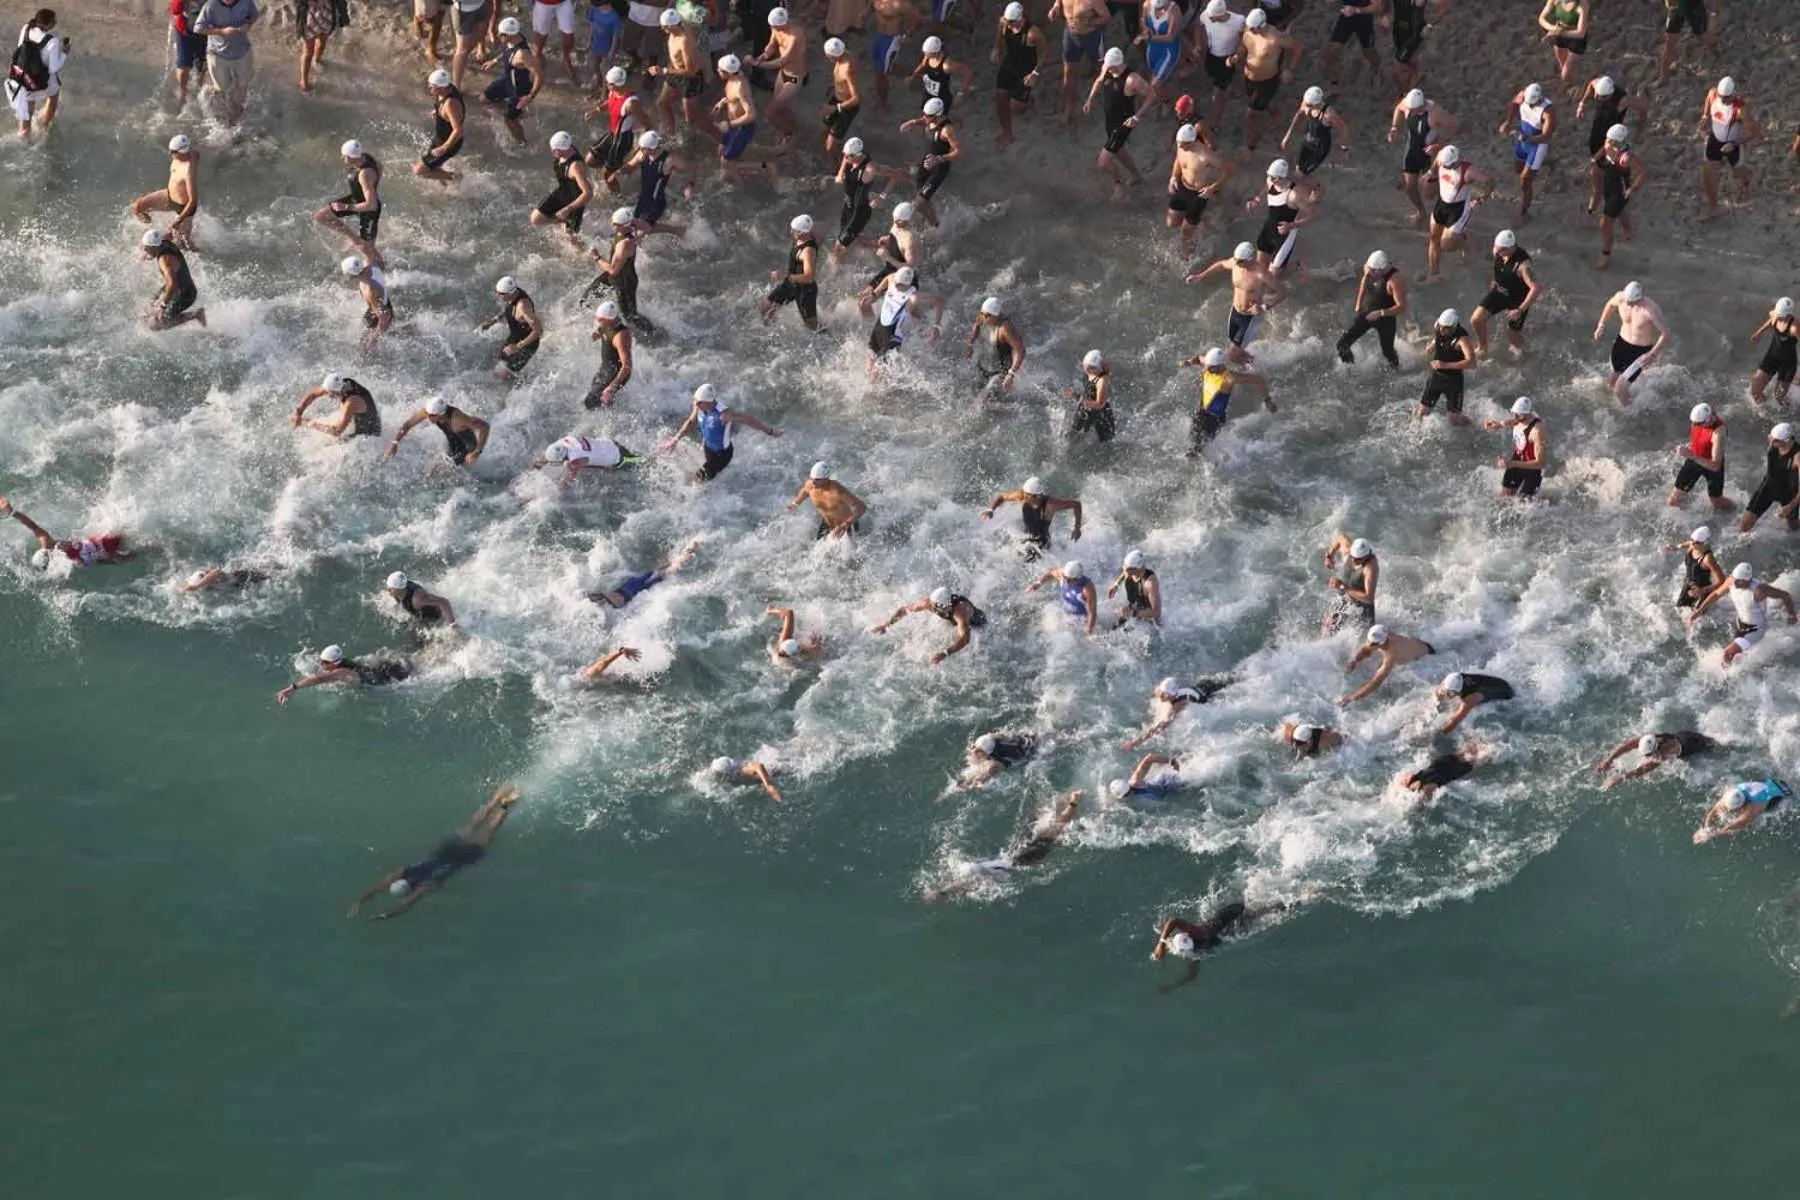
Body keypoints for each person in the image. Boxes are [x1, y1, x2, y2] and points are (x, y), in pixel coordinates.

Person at [346, 786, 522, 921]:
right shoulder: (404, 872)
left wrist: (386, 916)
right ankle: (494, 800)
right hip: (445, 851)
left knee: (487, 835)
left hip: (459, 861)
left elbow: (405, 906)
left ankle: (505, 805)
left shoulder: (425, 886)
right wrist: (359, 901)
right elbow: (378, 886)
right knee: (470, 826)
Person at [923, 791, 1081, 900]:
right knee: (1050, 831)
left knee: (1049, 829)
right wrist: (942, 892)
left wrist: (942, 893)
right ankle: (1072, 803)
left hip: (1018, 857)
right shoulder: (980, 872)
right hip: (1019, 858)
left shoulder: (979, 874)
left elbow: (962, 885)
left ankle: (1072, 804)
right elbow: (962, 885)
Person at [1186, 241, 1287, 365]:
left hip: (1250, 317)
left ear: (1250, 259)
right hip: (1235, 312)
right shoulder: (1236, 263)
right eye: (1236, 260)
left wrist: (1265, 307)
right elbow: (1222, 264)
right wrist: (1201, 276)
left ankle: (1255, 370)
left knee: (1233, 354)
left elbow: (1283, 291)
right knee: (1235, 345)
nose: (1237, 263)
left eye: (1240, 261)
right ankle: (1253, 363)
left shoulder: (1261, 274)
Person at [659, 383, 782, 482]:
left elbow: (748, 420)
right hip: (708, 447)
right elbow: (691, 422)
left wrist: (770, 431)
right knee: (704, 468)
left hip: (722, 455)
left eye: (698, 402)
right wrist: (675, 440)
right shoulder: (699, 406)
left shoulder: (724, 414)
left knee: (698, 478)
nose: (695, 404)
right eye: (695, 401)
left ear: (708, 402)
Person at [1150, 900, 1282, 988]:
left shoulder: (1198, 935)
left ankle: (1287, 902)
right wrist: (1172, 986)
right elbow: (1192, 975)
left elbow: (1173, 921)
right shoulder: (1196, 947)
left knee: (1257, 914)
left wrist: (1161, 943)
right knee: (1255, 914)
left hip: (1230, 916)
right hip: (1226, 926)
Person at [1688, 561, 1796, 666]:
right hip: (1740, 625)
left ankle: (1727, 681)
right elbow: (1716, 594)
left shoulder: (1760, 590)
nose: (1734, 582)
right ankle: (1736, 672)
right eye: (1734, 578)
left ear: (1747, 580)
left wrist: (1792, 615)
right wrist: (1698, 611)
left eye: (1738, 581)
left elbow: (1785, 595)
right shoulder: (1731, 581)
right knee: (1734, 658)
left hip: (1755, 630)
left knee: (1727, 654)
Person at [1182, 346, 1275, 457]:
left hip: (1214, 420)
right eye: (1208, 366)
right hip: (1201, 413)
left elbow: (1258, 380)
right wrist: (1189, 362)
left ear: (1221, 366)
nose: (1207, 369)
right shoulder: (1208, 365)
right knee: (1192, 443)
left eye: (1211, 368)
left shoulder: (1230, 378)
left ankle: (1202, 469)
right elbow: (1198, 358)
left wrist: (1268, 400)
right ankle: (1198, 460)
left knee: (1195, 450)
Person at [0, 494, 132, 571]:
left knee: (133, 546)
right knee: (129, 531)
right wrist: (12, 512)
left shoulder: (63, 561)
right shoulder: (51, 546)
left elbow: (96, 560)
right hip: (102, 540)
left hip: (104, 548)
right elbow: (32, 526)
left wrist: (114, 561)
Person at [1084, 46, 1150, 198]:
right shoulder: (1108, 69)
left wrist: (1137, 116)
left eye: (1110, 67)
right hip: (1110, 120)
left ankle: (1119, 184)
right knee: (1119, 150)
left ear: (1118, 65)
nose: (1107, 70)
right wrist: (1090, 99)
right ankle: (1137, 176)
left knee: (1103, 162)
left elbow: (1151, 96)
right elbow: (1100, 81)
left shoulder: (1132, 79)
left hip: (1122, 124)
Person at [1230, 7, 1298, 153]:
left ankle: (1250, 146)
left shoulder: (1275, 38)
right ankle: (1272, 110)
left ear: (1262, 26)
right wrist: (1237, 56)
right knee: (1256, 103)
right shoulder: (1249, 30)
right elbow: (1244, 46)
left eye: (1254, 29)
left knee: (1252, 115)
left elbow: (1297, 47)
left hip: (1267, 81)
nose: (1251, 30)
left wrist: (1290, 69)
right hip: (1249, 77)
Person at [1424, 145, 1494, 284]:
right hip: (1442, 204)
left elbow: (1489, 181)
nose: (1445, 168)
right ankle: (1434, 274)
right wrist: (1430, 173)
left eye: (1448, 166)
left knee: (1446, 245)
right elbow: (1436, 163)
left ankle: (1465, 243)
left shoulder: (1468, 171)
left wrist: (1480, 198)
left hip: (1459, 209)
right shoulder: (1441, 157)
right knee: (1433, 239)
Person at [1387, 87, 1455, 227]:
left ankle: (1450, 203)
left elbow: (1453, 126)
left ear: (1422, 105)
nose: (1411, 112)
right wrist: (1394, 127)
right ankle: (1421, 212)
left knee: (1430, 193)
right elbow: (1398, 109)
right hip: (1412, 150)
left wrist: (1438, 144)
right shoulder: (1407, 105)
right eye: (1410, 110)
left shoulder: (1434, 112)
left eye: (1414, 110)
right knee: (1409, 187)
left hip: (1430, 154)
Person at [1165, 121, 1236, 254]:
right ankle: (1201, 219)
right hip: (1182, 186)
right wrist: (1173, 177)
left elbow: (1230, 170)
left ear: (1191, 142)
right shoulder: (1182, 147)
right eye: (1178, 143)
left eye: (1182, 144)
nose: (1179, 146)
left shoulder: (1205, 156)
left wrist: (1213, 188)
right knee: (1171, 222)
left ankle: (1186, 253)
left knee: (1185, 233)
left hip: (1198, 195)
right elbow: (1178, 161)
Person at [1594, 281, 1669, 406]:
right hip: (1621, 344)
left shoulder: (1650, 310)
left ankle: (1627, 413)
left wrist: (1653, 354)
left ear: (1639, 299)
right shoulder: (1621, 297)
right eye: (1627, 299)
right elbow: (1610, 305)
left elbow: (1666, 333)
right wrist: (1601, 325)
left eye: (1631, 302)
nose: (1627, 303)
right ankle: (1625, 403)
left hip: (1639, 351)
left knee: (1619, 389)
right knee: (1611, 381)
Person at [868, 586, 986, 664]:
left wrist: (945, 653)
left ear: (945, 606)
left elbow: (965, 639)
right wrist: (886, 625)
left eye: (935, 607)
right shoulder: (929, 603)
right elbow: (905, 610)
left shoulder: (961, 612)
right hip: (953, 621)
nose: (931, 608)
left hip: (976, 624)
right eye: (932, 604)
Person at [711, 55, 780, 184]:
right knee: (720, 151)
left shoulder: (741, 88)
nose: (717, 71)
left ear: (727, 72)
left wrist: (729, 124)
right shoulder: (732, 79)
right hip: (733, 126)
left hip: (741, 128)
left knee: (726, 162)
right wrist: (723, 101)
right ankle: (731, 172)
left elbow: (752, 114)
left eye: (719, 70)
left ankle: (744, 182)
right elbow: (733, 99)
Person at [1471, 229, 1539, 358]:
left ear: (1510, 248)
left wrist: (1519, 310)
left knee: (1512, 336)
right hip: (1500, 292)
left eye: (1500, 250)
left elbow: (1536, 288)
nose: (1496, 252)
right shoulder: (1498, 252)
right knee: (1476, 320)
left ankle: (1527, 355)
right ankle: (1482, 348)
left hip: (1517, 300)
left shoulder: (1523, 266)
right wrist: (1495, 280)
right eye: (1495, 248)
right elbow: (1497, 266)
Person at [865, 267, 947, 376]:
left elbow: (940, 301)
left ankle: (874, 390)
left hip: (892, 336)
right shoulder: (891, 279)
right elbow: (886, 280)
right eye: (896, 283)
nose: (897, 286)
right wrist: (874, 295)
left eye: (901, 285)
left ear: (908, 284)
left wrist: (937, 326)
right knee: (870, 358)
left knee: (879, 372)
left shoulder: (913, 296)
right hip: (878, 328)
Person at [745, 6, 806, 149]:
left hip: (794, 76)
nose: (774, 29)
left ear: (784, 23)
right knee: (780, 107)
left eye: (776, 27)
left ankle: (791, 134)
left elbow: (782, 61)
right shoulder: (776, 29)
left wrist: (756, 64)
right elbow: (772, 45)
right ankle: (794, 126)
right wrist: (763, 56)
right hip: (783, 73)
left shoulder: (795, 36)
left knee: (770, 112)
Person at [583, 66, 652, 191]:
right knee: (589, 160)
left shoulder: (631, 103)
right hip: (612, 134)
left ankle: (618, 196)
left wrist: (640, 147)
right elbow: (609, 102)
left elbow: (647, 124)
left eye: (608, 83)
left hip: (622, 140)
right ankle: (617, 166)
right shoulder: (613, 91)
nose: (605, 84)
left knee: (607, 176)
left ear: (616, 85)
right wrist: (595, 111)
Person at [1699, 76, 1758, 222]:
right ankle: (1713, 207)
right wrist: (1706, 115)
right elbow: (1709, 98)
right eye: (1722, 97)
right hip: (1715, 140)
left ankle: (1749, 179)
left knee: (1739, 172)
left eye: (1727, 98)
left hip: (1732, 145)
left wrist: (1737, 142)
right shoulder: (1713, 94)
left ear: (1733, 94)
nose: (1724, 101)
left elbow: (1753, 132)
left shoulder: (1740, 109)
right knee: (1708, 174)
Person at [1335, 250, 1404, 369]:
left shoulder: (1394, 280)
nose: (1368, 272)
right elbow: (1365, 280)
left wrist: (1380, 313)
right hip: (1367, 313)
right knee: (1342, 344)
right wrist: (1359, 302)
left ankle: (1397, 372)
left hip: (1385, 320)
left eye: (1372, 271)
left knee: (1388, 353)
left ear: (1381, 270)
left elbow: (1401, 307)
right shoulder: (1369, 268)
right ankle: (1350, 369)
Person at [193, 0, 258, 127]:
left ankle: (236, 116)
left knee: (243, 85)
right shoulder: (211, 5)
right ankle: (217, 111)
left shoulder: (246, 2)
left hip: (242, 51)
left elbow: (254, 15)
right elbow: (198, 28)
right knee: (222, 88)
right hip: (218, 54)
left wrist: (248, 25)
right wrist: (222, 32)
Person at [1122, 674, 1232, 748]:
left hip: (1209, 693)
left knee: (1235, 680)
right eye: (1163, 693)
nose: (1162, 697)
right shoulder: (1162, 691)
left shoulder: (1180, 703)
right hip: (1202, 684)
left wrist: (1136, 742)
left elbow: (1161, 726)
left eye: (1167, 695)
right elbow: (1157, 692)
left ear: (1174, 694)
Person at [1247, 157, 1316, 274]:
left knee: (1274, 275)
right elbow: (1267, 187)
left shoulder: (1294, 194)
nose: (1270, 180)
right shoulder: (1270, 181)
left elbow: (1313, 214)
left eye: (1274, 178)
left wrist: (1292, 225)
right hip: (1268, 229)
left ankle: (1296, 267)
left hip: (1285, 236)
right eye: (1269, 176)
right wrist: (1257, 199)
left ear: (1283, 177)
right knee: (1260, 270)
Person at [276, 644, 412, 703]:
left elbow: (318, 679)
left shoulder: (342, 671)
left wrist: (292, 688)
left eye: (324, 662)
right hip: (381, 670)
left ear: (334, 663)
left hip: (388, 680)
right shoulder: (344, 663)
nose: (321, 664)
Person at [313, 139, 384, 253]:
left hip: (369, 211)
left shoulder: (364, 174)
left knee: (368, 251)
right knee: (321, 216)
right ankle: (355, 239)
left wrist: (345, 207)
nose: (342, 158)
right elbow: (380, 166)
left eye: (344, 156)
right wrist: (373, 185)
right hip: (356, 200)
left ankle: (378, 267)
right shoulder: (366, 157)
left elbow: (372, 205)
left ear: (350, 157)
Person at [131, 134, 201, 249]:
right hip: (168, 196)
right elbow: (197, 154)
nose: (170, 153)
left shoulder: (188, 171)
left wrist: (178, 221)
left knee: (182, 244)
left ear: (181, 151)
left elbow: (193, 201)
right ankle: (150, 231)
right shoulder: (191, 154)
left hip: (183, 207)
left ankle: (199, 254)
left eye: (173, 151)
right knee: (139, 206)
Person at [1048, 0, 1110, 129]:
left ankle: (1095, 99)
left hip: (1092, 36)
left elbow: (1106, 17)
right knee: (1069, 72)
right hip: (1071, 35)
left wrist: (1089, 22)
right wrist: (1055, 8)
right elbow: (1058, 2)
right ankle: (1069, 108)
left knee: (1100, 69)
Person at [585, 540, 700, 608]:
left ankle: (689, 551)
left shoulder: (653, 579)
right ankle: (688, 551)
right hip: (630, 589)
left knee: (668, 567)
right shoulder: (652, 579)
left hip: (630, 590)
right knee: (667, 567)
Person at [983, 476, 1080, 557]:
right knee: (997, 539)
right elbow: (1002, 496)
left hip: (1041, 541)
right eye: (1024, 493)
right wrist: (991, 510)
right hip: (1026, 535)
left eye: (1026, 495)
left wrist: (1077, 528)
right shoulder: (1022, 495)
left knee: (1027, 560)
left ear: (1037, 496)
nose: (1023, 496)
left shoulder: (1051, 505)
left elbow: (1076, 504)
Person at [901, 96, 959, 229]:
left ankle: (936, 226)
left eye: (928, 115)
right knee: (921, 197)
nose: (925, 117)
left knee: (918, 203)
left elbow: (958, 151)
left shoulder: (947, 130)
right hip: (927, 162)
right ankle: (932, 219)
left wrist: (938, 159)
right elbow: (925, 120)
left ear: (937, 115)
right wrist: (913, 122)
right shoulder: (930, 119)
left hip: (938, 168)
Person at [1588, 122, 1641, 268]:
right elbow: (1603, 150)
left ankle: (1605, 254)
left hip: (1620, 191)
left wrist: (1634, 187)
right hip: (1609, 185)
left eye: (1611, 140)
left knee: (1605, 225)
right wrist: (1594, 160)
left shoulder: (1626, 157)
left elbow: (1643, 172)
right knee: (1619, 211)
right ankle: (1628, 229)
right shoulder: (1609, 144)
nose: (1608, 143)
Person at [1341, 623, 1434, 704]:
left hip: (1426, 658)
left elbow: (1376, 682)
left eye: (1373, 644)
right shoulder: (1384, 635)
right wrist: (1354, 661)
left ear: (1382, 643)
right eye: (1370, 641)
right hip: (1419, 644)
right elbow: (1366, 649)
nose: (1369, 644)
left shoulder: (1391, 655)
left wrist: (1352, 698)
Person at [385, 395, 490, 467]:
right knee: (433, 470)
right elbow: (408, 425)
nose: (428, 417)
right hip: (453, 440)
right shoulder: (429, 412)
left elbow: (485, 427)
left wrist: (477, 452)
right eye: (428, 414)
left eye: (432, 416)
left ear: (441, 414)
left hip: (468, 446)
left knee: (441, 470)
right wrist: (394, 443)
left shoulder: (459, 418)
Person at [1498, 83, 1554, 218]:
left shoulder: (1548, 111)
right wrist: (1508, 122)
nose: (1529, 106)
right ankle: (1546, 162)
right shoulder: (1523, 96)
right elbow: (1514, 104)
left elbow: (1546, 136)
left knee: (1525, 180)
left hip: (1537, 145)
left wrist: (1525, 138)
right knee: (1518, 168)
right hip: (1523, 141)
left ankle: (1524, 211)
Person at [1594, 730, 1717, 790]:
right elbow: (1627, 745)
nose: (1647, 757)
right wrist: (1609, 760)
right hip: (1682, 734)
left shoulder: (1665, 752)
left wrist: (1620, 778)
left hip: (1692, 746)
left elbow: (1643, 770)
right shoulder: (1650, 738)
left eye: (1649, 755)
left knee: (1711, 744)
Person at [583, 207, 646, 325]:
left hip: (625, 282)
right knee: (586, 300)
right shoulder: (633, 224)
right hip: (612, 278)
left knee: (631, 318)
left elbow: (613, 270)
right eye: (613, 222)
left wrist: (596, 257)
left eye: (616, 224)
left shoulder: (624, 244)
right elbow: (647, 227)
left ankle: (654, 334)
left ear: (625, 225)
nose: (612, 225)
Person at [623, 130, 691, 237]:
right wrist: (617, 171)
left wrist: (690, 185)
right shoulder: (642, 155)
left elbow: (691, 168)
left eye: (642, 148)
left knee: (642, 231)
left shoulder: (669, 160)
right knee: (635, 226)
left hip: (656, 201)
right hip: (644, 198)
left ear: (651, 149)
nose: (639, 150)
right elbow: (629, 166)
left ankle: (676, 230)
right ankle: (677, 230)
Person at [991, 2, 1041, 147]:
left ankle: (1029, 99)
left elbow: (1044, 52)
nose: (1008, 24)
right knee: (1001, 102)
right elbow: (999, 38)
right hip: (1009, 65)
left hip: (1025, 70)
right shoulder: (1004, 24)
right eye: (1007, 21)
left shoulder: (1032, 33)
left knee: (1014, 108)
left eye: (1011, 22)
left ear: (1020, 19)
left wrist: (1035, 72)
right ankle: (1008, 134)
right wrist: (996, 49)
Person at [531, 130, 594, 244]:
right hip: (563, 192)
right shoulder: (567, 150)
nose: (552, 152)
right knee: (536, 218)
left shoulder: (575, 166)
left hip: (575, 201)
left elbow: (588, 193)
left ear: (561, 150)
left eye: (554, 150)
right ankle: (562, 222)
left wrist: (567, 209)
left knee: (572, 243)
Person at [762, 213, 822, 331]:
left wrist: (784, 276)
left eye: (793, 230)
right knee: (767, 306)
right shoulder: (807, 236)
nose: (791, 232)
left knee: (812, 327)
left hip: (805, 291)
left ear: (801, 233)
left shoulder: (807, 251)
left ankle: (832, 338)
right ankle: (769, 331)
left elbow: (809, 277)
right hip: (791, 284)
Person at [481, 16, 536, 144]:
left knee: (509, 120)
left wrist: (530, 96)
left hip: (519, 90)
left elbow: (538, 75)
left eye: (501, 35)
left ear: (510, 35)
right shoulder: (514, 38)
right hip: (507, 81)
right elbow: (508, 51)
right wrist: (494, 61)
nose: (499, 37)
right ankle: (517, 112)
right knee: (484, 98)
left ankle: (524, 144)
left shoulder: (522, 54)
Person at [649, 8, 704, 134]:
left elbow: (690, 71)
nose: (662, 29)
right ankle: (670, 135)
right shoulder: (675, 31)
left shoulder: (684, 41)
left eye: (664, 27)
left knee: (690, 119)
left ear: (673, 26)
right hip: (674, 72)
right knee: (662, 104)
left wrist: (664, 71)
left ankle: (690, 138)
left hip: (690, 79)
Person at [139, 229, 206, 331]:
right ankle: (154, 312)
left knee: (159, 324)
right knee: (148, 308)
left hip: (185, 294)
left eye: (146, 248)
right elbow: (170, 233)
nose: (144, 250)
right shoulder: (164, 242)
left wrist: (162, 305)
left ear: (154, 247)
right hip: (177, 287)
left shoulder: (164, 260)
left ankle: (195, 315)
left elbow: (172, 283)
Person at [1416, 308, 1474, 424]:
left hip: (1453, 381)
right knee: (1422, 413)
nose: (1442, 330)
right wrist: (1433, 344)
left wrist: (1445, 365)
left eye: (1446, 329)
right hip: (1436, 377)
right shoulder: (1439, 325)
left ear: (1454, 326)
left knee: (1454, 420)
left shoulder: (1462, 339)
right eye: (1441, 327)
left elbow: (1472, 363)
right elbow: (1438, 336)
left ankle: (1472, 426)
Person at [1669, 403, 1729, 513]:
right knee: (1674, 500)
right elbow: (1699, 437)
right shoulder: (1701, 419)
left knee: (1716, 501)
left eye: (1697, 424)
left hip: (1710, 465)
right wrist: (1689, 447)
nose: (1694, 425)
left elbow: (1715, 466)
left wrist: (1691, 455)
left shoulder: (1718, 434)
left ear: (1707, 421)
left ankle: (1737, 511)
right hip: (1695, 459)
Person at [1740, 424, 1800, 534]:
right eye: (1771, 438)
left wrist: (1790, 507)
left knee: (1793, 527)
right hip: (1768, 487)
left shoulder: (1797, 456)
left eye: (1775, 441)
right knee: (1745, 523)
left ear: (1786, 441)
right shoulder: (1774, 442)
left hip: (1788, 493)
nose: (1771, 442)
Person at [1196, 0, 1246, 131]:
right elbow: (1198, 26)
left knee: (1218, 94)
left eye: (1213, 17)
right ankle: (1231, 86)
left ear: (1221, 14)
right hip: (1211, 54)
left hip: (1227, 59)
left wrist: (1237, 56)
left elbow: (1245, 41)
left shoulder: (1238, 21)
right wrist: (1198, 44)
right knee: (1211, 74)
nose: (1210, 18)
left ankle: (1214, 123)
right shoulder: (1206, 16)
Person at [1484, 396, 1546, 500]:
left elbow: (1540, 463)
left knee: (1523, 507)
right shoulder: (1519, 418)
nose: (1514, 417)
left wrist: (1511, 464)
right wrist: (1499, 424)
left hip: (1532, 470)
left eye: (1518, 415)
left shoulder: (1537, 431)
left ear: (1527, 414)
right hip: (1517, 462)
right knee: (1504, 499)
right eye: (1513, 413)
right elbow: (1514, 421)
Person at [1693, 779, 1792, 845]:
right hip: (1769, 782)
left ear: (1743, 804)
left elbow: (1734, 826)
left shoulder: (1753, 806)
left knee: (1764, 810)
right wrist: (1705, 828)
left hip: (1781, 791)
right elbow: (1713, 811)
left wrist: (1712, 835)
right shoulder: (1732, 793)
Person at [1280, 86, 1350, 178]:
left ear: (1317, 104)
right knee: (1298, 168)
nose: (1306, 106)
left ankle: (1313, 189)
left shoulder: (1328, 115)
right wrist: (1288, 135)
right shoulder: (1307, 103)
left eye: (1309, 105)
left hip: (1320, 147)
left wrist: (1345, 148)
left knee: (1301, 174)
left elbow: (1343, 128)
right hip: (1307, 140)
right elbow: (1299, 115)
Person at [942, 731, 1041, 795]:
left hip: (1036, 751)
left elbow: (979, 781)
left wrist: (952, 790)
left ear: (985, 753)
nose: (973, 751)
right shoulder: (993, 739)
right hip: (1029, 738)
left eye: (977, 751)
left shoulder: (996, 764)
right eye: (974, 748)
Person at [481, 276, 542, 380]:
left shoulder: (523, 307)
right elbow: (509, 309)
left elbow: (538, 330)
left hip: (527, 344)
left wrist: (518, 347)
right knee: (501, 358)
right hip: (515, 336)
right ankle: (511, 376)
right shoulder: (514, 294)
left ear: (509, 293)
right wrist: (493, 321)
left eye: (500, 294)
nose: (497, 295)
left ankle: (521, 383)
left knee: (504, 375)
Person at [868, 0, 922, 116]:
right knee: (884, 66)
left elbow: (916, 19)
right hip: (879, 36)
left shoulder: (899, 4)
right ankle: (915, 74)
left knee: (881, 73)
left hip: (891, 39)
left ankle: (883, 104)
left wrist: (907, 34)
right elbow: (872, 7)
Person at [787, 461, 867, 539]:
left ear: (826, 479)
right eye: (812, 479)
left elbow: (861, 507)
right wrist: (794, 504)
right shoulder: (810, 485)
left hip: (845, 526)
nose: (813, 482)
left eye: (817, 480)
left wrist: (845, 524)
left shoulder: (837, 491)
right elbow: (804, 492)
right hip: (827, 524)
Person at [965, 295, 1026, 398]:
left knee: (983, 400)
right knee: (969, 393)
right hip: (983, 367)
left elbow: (1020, 350)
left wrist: (1011, 374)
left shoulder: (1004, 329)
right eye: (982, 313)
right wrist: (970, 344)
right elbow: (976, 327)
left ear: (995, 316)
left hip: (1000, 372)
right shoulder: (982, 317)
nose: (983, 317)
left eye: (987, 315)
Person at [414, 68, 466, 183]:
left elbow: (458, 130)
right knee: (433, 166)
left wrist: (444, 148)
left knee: (419, 171)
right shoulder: (447, 89)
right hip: (440, 138)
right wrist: (437, 111)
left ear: (441, 87)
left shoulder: (450, 104)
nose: (429, 87)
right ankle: (445, 182)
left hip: (449, 143)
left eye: (432, 86)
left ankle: (455, 177)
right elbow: (442, 105)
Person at [292, 372, 380, 439]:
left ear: (339, 391)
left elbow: (337, 431)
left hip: (369, 434)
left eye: (330, 394)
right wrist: (298, 412)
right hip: (359, 418)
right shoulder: (340, 384)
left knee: (337, 445)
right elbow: (313, 394)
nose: (327, 396)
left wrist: (310, 423)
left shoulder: (351, 402)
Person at [1321, 534, 1377, 634]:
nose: (1354, 561)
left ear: (1367, 556)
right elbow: (1340, 536)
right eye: (1353, 557)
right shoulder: (1349, 552)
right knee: (1327, 629)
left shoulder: (1370, 568)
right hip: (1343, 598)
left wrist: (1342, 587)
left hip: (1361, 606)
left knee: (1365, 638)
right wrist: (1329, 556)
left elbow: (1369, 598)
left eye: (1358, 559)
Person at [531, 432, 644, 482]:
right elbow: (545, 458)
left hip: (619, 458)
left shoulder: (574, 460)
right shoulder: (563, 441)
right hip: (609, 443)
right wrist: (536, 466)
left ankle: (659, 455)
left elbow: (568, 482)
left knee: (644, 464)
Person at [1749, 297, 1798, 409]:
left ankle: (1789, 413)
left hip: (1788, 364)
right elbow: (1771, 321)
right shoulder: (1775, 315)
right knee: (1755, 390)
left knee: (1779, 398)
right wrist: (1759, 332)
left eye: (1780, 315)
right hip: (1772, 357)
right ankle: (1764, 410)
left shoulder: (1794, 328)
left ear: (1788, 315)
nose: (1777, 316)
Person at [1026, 559, 1098, 635]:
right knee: (1044, 630)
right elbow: (1051, 573)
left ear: (1077, 579)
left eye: (1069, 580)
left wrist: (1088, 632)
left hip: (1080, 620)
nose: (1065, 581)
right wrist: (1038, 583)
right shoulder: (1063, 574)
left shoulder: (1087, 589)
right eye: (1065, 577)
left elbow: (1092, 613)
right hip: (1065, 614)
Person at [584, 301, 634, 408]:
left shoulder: (621, 336)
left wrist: (612, 386)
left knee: (591, 402)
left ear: (610, 320)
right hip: (604, 370)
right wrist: (597, 333)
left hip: (614, 374)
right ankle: (611, 406)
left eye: (600, 319)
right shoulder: (607, 324)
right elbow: (601, 330)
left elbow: (627, 366)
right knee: (595, 396)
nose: (597, 321)